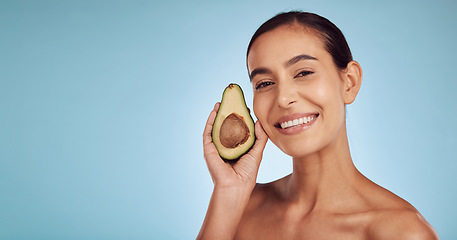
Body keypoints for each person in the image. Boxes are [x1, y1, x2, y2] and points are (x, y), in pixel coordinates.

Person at [197, 11, 438, 240]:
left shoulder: (401, 232)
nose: (283, 98)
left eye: (303, 73)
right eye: (265, 83)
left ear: (349, 83)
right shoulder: (237, 208)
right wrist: (229, 190)